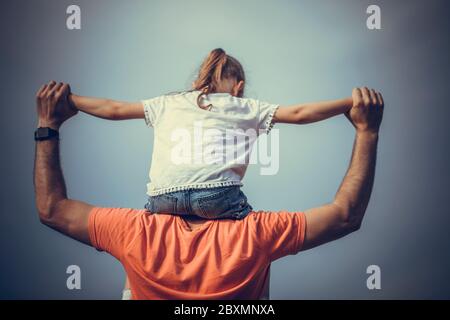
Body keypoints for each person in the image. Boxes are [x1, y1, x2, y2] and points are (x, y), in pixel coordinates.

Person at [34, 79, 384, 299]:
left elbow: (53, 209)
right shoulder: (254, 237)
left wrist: (48, 125)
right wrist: (366, 132)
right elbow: (344, 216)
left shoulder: (135, 233)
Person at [67, 48, 356, 220]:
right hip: (216, 198)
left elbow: (113, 108)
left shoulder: (169, 101)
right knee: (252, 232)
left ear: (199, 80)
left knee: (146, 235)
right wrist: (350, 103)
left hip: (162, 200)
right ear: (238, 86)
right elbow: (300, 113)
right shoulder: (245, 106)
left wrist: (71, 99)